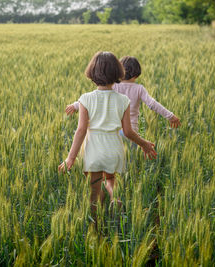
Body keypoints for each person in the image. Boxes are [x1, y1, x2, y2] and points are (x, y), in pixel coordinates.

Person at [58, 51, 157, 218]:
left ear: (92, 74)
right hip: (114, 149)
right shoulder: (123, 100)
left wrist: (71, 158)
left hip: (94, 150)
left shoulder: (85, 99)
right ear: (118, 73)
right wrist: (144, 144)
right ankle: (115, 197)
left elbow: (81, 130)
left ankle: (96, 224)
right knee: (110, 178)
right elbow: (128, 131)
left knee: (94, 190)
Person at [65, 56, 181, 136]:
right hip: (131, 133)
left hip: (113, 131)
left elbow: (96, 97)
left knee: (113, 166)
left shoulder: (113, 86)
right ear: (137, 74)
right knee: (130, 164)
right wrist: (170, 116)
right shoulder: (139, 89)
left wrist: (76, 105)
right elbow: (152, 104)